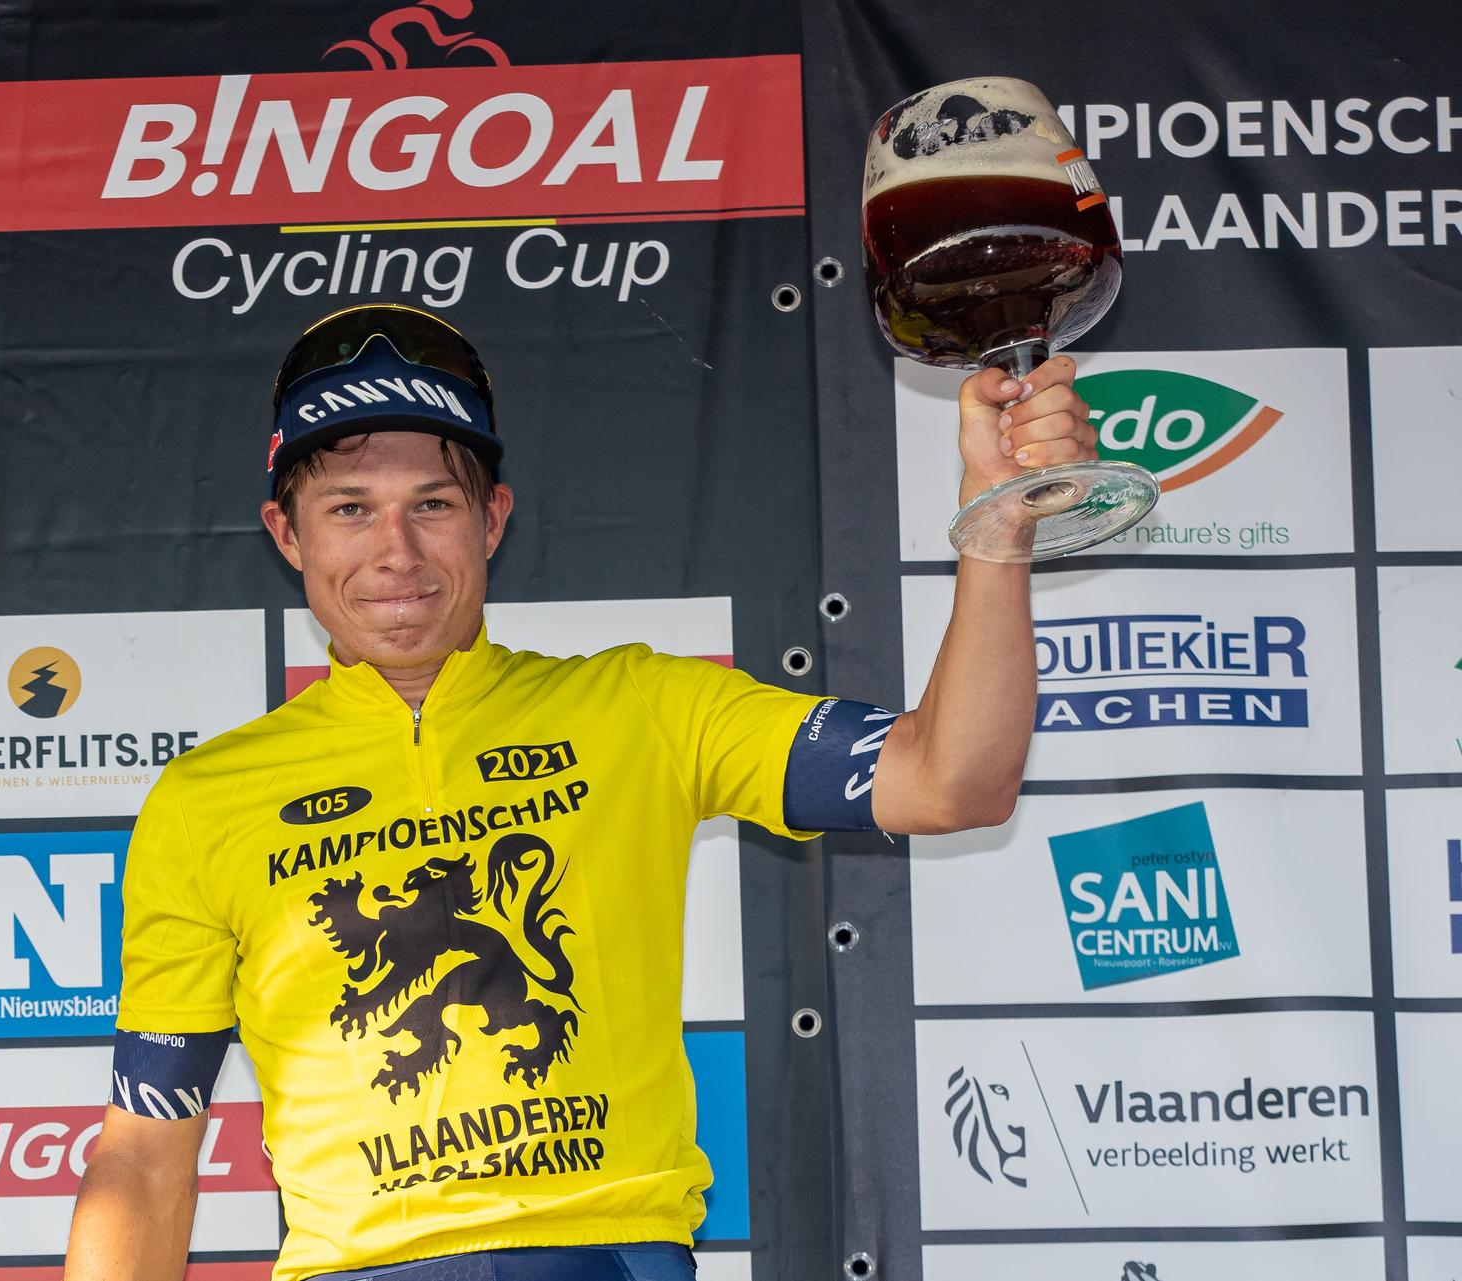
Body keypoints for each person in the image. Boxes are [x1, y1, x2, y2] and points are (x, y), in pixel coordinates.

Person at [63, 304, 1097, 1281]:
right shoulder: (205, 799)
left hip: (608, 1253)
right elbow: (146, 1157)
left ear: (493, 519)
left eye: (433, 504)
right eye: (349, 510)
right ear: (289, 537)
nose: (397, 553)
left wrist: (998, 526)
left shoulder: (639, 705)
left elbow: (954, 777)